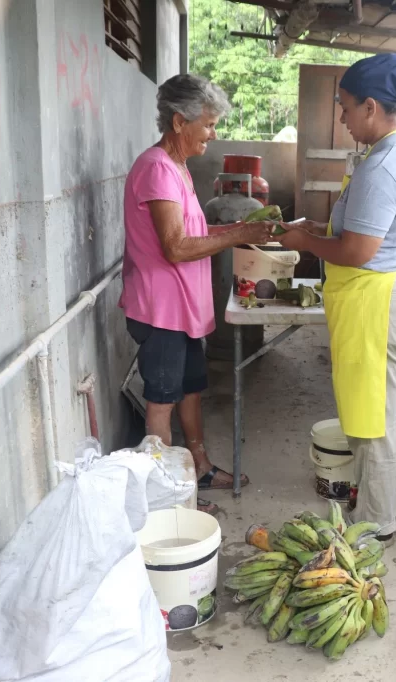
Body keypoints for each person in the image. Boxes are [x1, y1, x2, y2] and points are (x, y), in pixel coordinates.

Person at [273, 54, 396, 545]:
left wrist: (304, 244)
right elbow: (362, 232)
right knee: (387, 416)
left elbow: (358, 251)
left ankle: (375, 524)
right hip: (394, 296)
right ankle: (393, 506)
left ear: (370, 106)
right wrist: (316, 228)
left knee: (371, 423)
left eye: (344, 108)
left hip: (380, 303)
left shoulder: (384, 166)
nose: (341, 118)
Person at [120, 74, 275, 511]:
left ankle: (199, 467)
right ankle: (166, 499)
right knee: (162, 401)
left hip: (183, 308)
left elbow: (197, 231)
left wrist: (247, 229)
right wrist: (240, 231)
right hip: (160, 309)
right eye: (207, 124)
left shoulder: (179, 169)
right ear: (178, 122)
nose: (213, 133)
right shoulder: (155, 169)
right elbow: (176, 246)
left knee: (190, 389)